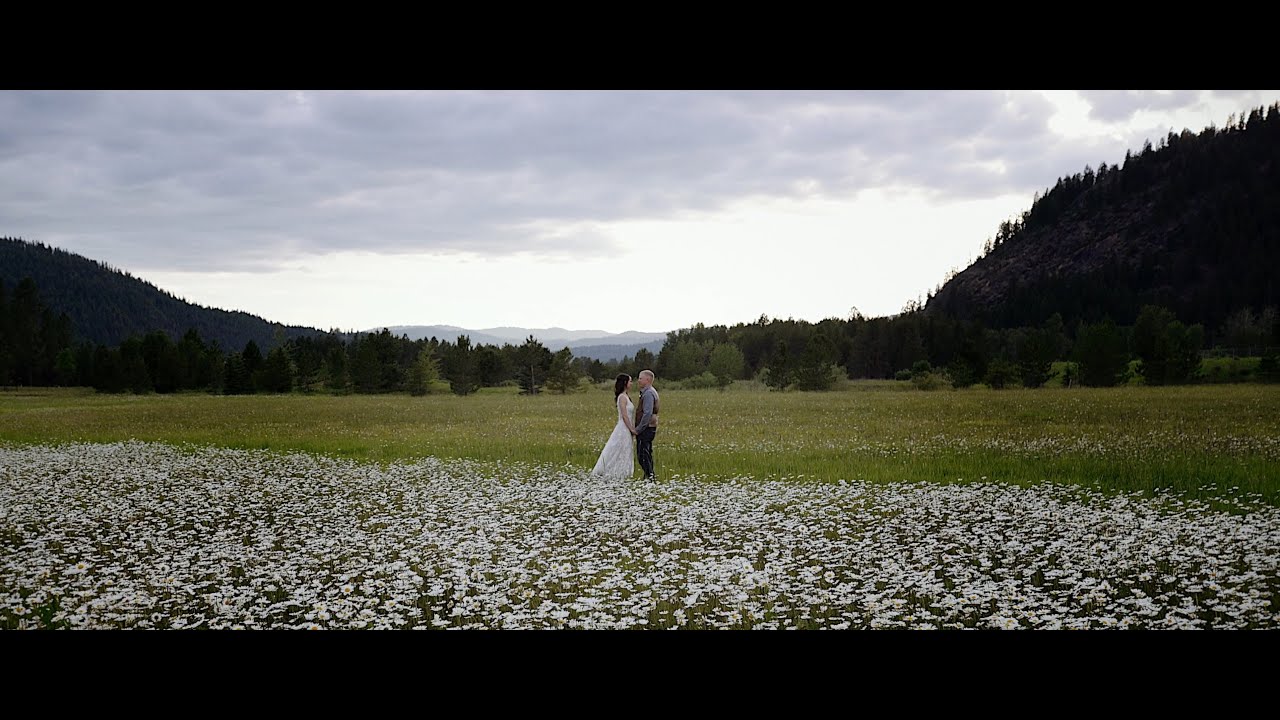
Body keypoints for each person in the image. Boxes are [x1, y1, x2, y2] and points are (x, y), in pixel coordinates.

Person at [591, 373, 638, 478]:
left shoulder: (626, 397)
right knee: (618, 449)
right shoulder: (622, 397)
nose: (632, 383)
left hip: (627, 427)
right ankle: (612, 472)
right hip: (623, 428)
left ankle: (623, 471)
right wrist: (632, 429)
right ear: (625, 383)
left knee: (625, 450)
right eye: (630, 381)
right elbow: (624, 415)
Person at [633, 369, 659, 481]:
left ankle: (650, 477)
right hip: (648, 427)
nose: (638, 380)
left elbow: (647, 413)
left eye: (640, 378)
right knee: (646, 453)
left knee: (643, 454)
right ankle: (648, 476)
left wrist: (639, 429)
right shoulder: (649, 392)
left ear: (647, 379)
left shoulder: (648, 393)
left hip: (647, 428)